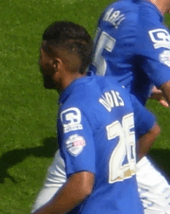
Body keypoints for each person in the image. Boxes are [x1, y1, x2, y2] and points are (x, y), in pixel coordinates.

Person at [31, 21, 160, 214]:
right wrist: (120, 172)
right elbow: (152, 130)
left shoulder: (74, 110)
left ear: (56, 64)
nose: (39, 63)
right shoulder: (113, 87)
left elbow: (81, 186)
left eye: (42, 57)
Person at [89, 0, 170, 213]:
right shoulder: (149, 24)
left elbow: (115, 64)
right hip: (111, 130)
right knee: (158, 199)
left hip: (92, 114)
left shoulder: (117, 8)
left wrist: (148, 90)